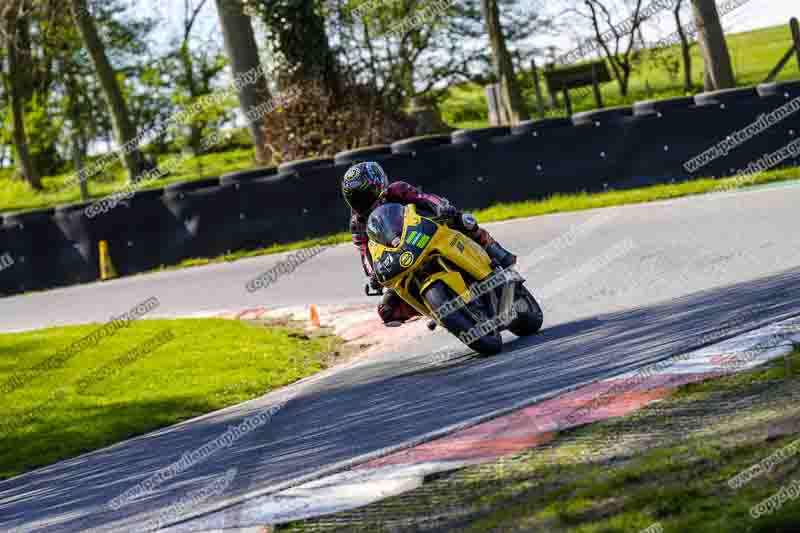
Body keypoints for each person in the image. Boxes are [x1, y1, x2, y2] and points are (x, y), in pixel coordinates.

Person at [342, 161, 516, 326]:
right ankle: (434, 309)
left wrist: (441, 208)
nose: (362, 201)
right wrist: (373, 275)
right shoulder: (358, 223)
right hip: (399, 256)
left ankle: (495, 251)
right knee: (386, 309)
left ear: (378, 184)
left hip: (428, 229)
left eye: (365, 194)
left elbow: (425, 198)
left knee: (464, 221)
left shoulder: (397, 190)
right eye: (356, 198)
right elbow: (365, 254)